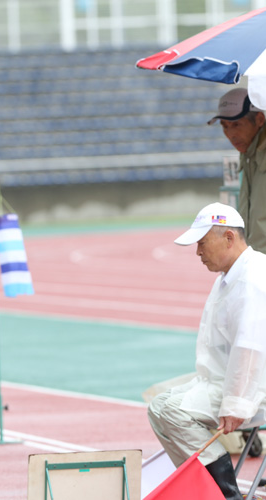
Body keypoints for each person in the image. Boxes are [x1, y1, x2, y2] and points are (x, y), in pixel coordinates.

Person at [147, 202, 266, 500]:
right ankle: (204, 490)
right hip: (226, 380)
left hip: (255, 388)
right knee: (159, 407)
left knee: (174, 413)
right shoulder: (231, 276)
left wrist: (236, 404)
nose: (198, 252)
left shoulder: (252, 280)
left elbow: (251, 348)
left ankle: (226, 494)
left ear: (229, 237)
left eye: (202, 243)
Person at [209, 88, 266, 253]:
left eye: (236, 124)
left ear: (260, 119)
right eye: (225, 126)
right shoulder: (248, 154)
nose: (230, 134)